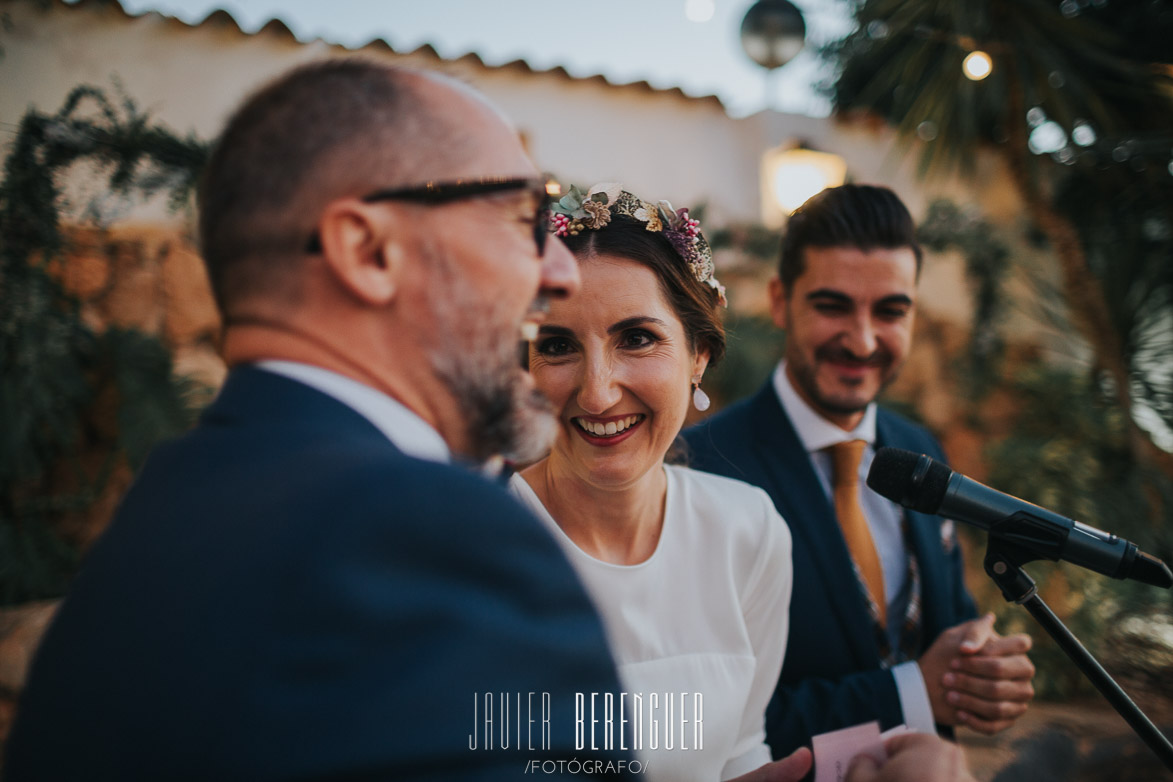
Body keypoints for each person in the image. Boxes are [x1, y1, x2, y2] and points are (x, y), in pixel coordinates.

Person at [5, 60, 634, 780]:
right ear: (368, 251)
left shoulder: (162, 509)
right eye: (525, 218)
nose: (561, 272)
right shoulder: (426, 534)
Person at [683, 184, 1035, 758]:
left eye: (891, 311)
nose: (863, 339)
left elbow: (944, 628)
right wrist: (913, 691)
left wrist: (981, 674)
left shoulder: (917, 447)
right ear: (779, 301)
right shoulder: (701, 466)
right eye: (833, 306)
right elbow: (709, 718)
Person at [509, 184, 793, 782]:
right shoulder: (464, 547)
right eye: (557, 346)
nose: (597, 391)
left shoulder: (750, 531)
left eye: (636, 338)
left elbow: (741, 745)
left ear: (698, 355)